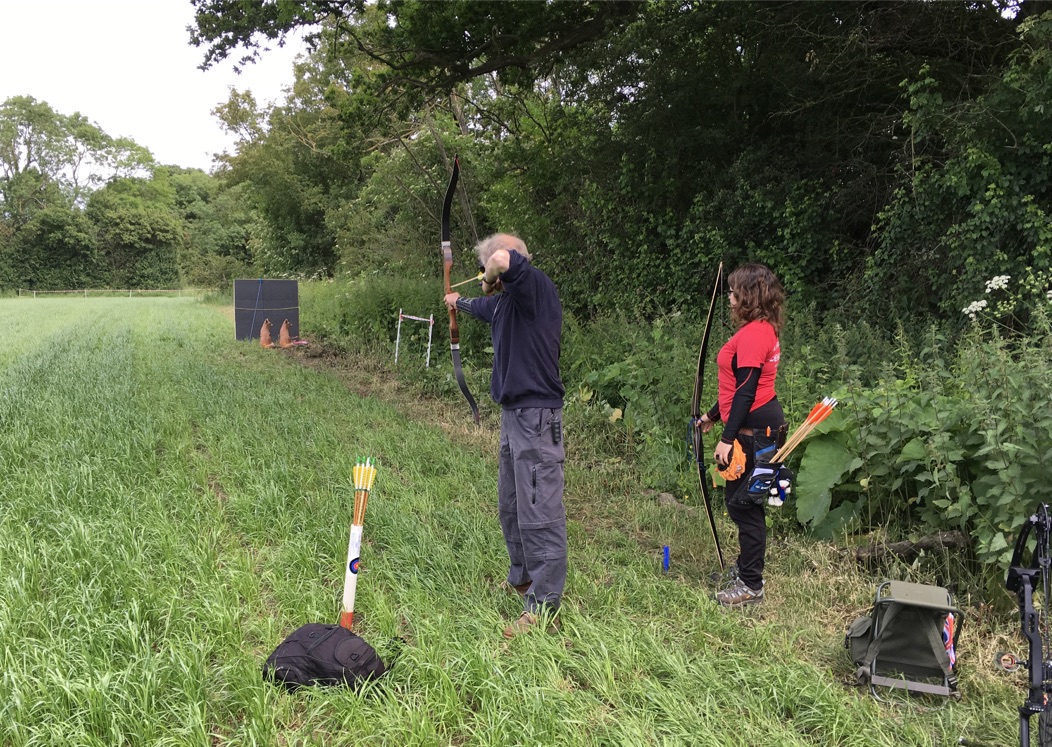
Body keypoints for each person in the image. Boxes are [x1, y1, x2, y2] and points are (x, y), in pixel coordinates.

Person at [443, 233, 567, 637]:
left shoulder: (535, 289)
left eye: (488, 271)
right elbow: (475, 305)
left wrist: (487, 276)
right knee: (511, 507)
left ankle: (544, 606)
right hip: (513, 417)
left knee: (539, 510)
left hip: (537, 417)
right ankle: (523, 580)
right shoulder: (503, 304)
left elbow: (500, 258)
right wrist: (455, 300)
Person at [697, 263, 786, 608]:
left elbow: (747, 392)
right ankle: (746, 569)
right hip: (751, 429)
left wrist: (726, 437)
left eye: (734, 292)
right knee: (739, 500)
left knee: (744, 505)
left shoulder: (754, 335)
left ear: (749, 296)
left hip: (756, 433)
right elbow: (737, 388)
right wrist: (713, 415)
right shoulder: (757, 330)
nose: (730, 297)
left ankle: (751, 585)